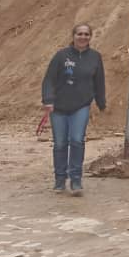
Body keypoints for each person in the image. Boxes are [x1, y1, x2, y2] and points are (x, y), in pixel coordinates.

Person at [40, 23, 106, 197]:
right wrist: (48, 100)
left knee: (77, 140)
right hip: (58, 107)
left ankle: (76, 180)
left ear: (90, 37)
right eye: (79, 34)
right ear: (73, 35)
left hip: (81, 105)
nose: (83, 37)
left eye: (86, 34)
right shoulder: (61, 56)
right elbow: (49, 80)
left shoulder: (95, 57)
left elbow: (99, 82)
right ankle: (59, 180)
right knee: (60, 143)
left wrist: (101, 102)